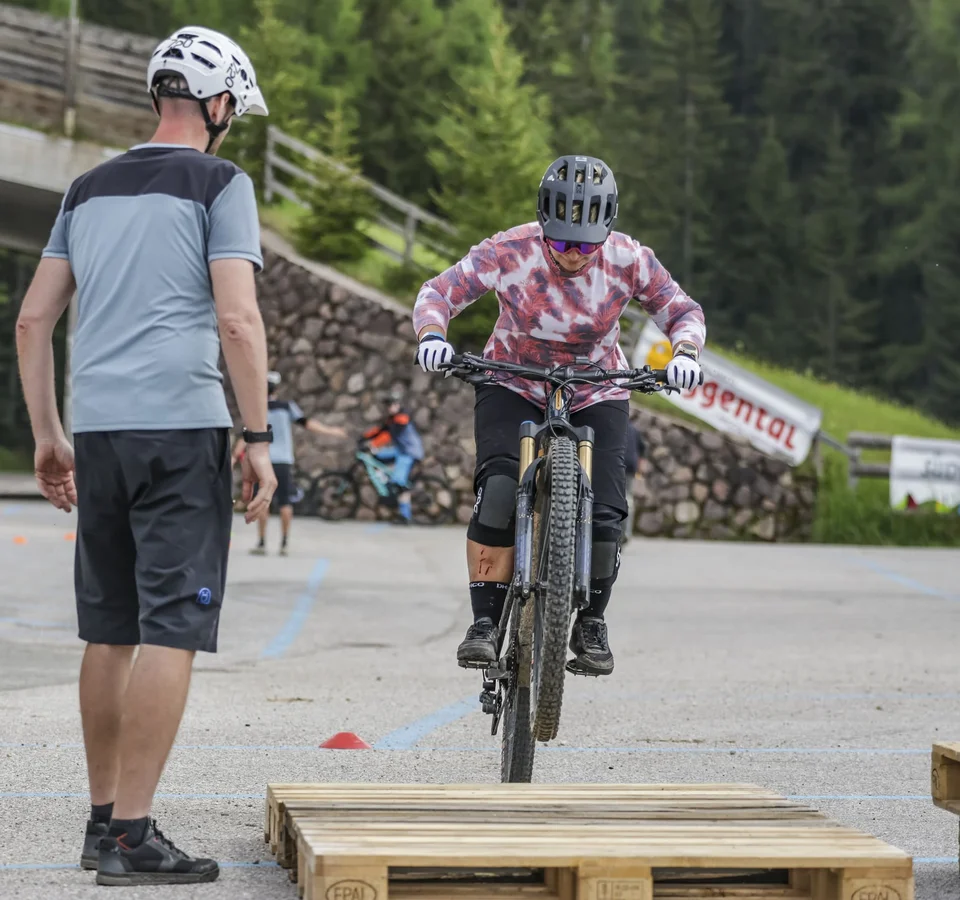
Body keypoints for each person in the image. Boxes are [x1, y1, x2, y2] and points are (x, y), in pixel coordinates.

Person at [15, 25, 275, 886]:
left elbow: (32, 320)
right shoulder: (221, 182)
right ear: (220, 105)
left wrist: (49, 435)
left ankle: (101, 824)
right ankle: (133, 837)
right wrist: (258, 434)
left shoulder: (85, 189)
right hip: (180, 427)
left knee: (110, 628)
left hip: (99, 431)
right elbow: (237, 319)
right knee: (173, 625)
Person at [413, 154, 705, 676]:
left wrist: (685, 355)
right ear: (543, 225)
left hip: (596, 387)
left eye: (585, 245)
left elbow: (682, 311)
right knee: (501, 488)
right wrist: (433, 337)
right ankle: (484, 622)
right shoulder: (509, 251)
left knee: (610, 513)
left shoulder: (629, 260)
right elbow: (438, 293)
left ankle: (591, 623)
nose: (573, 255)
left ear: (606, 232)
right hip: (512, 380)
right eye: (562, 242)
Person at [233, 371, 347, 554]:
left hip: (263, 461)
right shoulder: (287, 407)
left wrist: (234, 456)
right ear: (276, 388)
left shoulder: (257, 407)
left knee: (263, 501)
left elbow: (245, 436)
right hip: (284, 461)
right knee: (285, 502)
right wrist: (332, 431)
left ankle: (262, 543)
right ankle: (284, 543)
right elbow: (308, 423)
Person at [361, 387, 425, 524]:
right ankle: (385, 480)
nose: (389, 408)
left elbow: (389, 434)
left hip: (409, 452)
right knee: (377, 457)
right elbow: (379, 431)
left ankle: (405, 516)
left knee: (400, 483)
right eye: (387, 405)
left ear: (397, 405)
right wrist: (364, 438)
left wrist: (373, 445)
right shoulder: (392, 419)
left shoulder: (402, 418)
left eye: (391, 405)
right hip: (400, 450)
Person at [621, 420, 646, 546]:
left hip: (618, 463)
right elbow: (643, 449)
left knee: (620, 496)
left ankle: (622, 531)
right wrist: (640, 467)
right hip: (631, 466)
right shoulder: (634, 429)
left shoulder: (616, 424)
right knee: (627, 498)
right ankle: (626, 532)